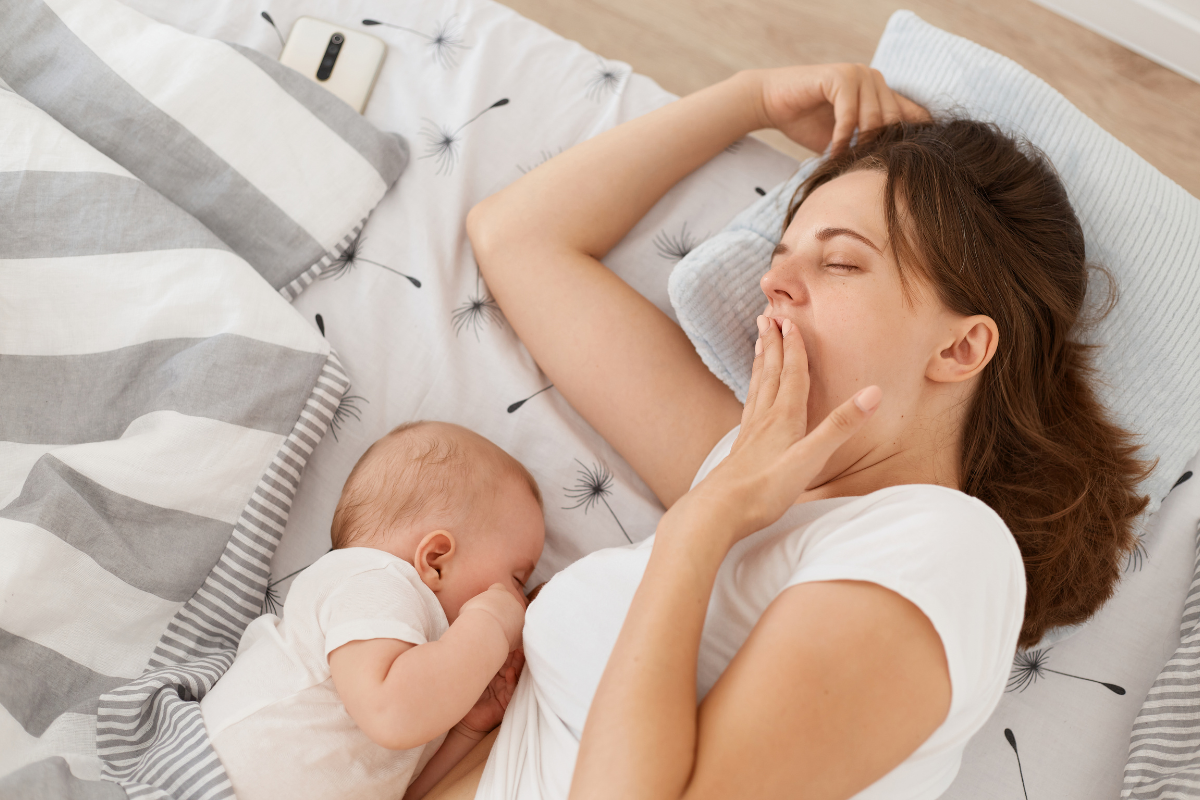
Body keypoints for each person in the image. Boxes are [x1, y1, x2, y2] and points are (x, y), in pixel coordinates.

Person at [424, 63, 1150, 799]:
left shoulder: (945, 552)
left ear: (960, 349)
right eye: (779, 260)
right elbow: (516, 236)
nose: (774, 284)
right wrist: (753, 98)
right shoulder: (744, 469)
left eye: (839, 261)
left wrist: (701, 527)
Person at [199, 421, 545, 800]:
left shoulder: (425, 673)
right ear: (436, 560)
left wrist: (467, 729)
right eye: (516, 580)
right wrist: (492, 622)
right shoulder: (373, 579)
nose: (521, 602)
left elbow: (405, 789)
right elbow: (392, 714)